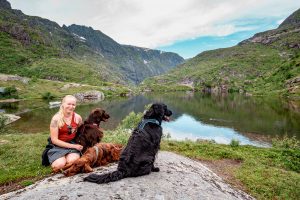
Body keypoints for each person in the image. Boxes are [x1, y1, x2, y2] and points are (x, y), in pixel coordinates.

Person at [47, 95, 83, 171]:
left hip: (72, 143)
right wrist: (74, 146)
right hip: (57, 145)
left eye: (73, 105)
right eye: (69, 104)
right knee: (59, 165)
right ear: (63, 104)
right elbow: (54, 140)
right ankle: (60, 158)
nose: (71, 106)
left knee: (72, 161)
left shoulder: (78, 118)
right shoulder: (55, 119)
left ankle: (68, 157)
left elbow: (81, 131)